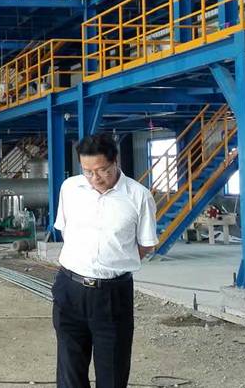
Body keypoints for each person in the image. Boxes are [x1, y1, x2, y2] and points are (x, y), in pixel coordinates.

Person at [52, 132, 158, 388]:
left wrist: (113, 264)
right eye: (87, 171)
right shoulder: (70, 188)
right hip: (69, 289)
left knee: (112, 372)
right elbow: (66, 231)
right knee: (69, 372)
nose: (95, 178)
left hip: (112, 296)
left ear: (115, 161)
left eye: (102, 170)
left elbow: (145, 245)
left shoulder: (138, 196)